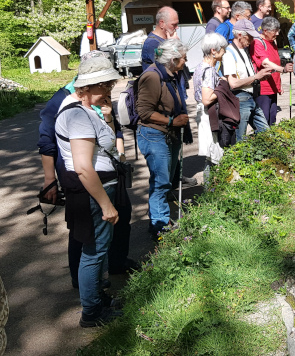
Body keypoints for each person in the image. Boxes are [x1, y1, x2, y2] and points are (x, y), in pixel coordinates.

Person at [38, 51, 138, 288]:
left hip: (107, 170)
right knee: (84, 231)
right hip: (79, 173)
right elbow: (46, 141)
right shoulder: (63, 101)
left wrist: (113, 129)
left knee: (119, 216)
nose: (108, 90)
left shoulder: (98, 95)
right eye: (105, 84)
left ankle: (115, 263)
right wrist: (49, 179)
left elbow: (114, 133)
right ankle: (81, 281)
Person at [54, 56, 123, 327]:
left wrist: (106, 117)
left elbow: (107, 147)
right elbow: (83, 167)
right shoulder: (76, 114)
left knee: (98, 250)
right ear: (86, 86)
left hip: (98, 191)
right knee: (93, 254)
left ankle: (98, 300)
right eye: (104, 85)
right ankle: (92, 313)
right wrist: (106, 204)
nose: (108, 90)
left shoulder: (86, 111)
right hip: (94, 195)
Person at [136, 39, 191, 239]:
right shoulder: (152, 76)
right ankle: (161, 228)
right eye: (183, 58)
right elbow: (143, 112)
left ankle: (158, 220)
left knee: (165, 181)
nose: (185, 61)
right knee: (161, 182)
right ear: (173, 59)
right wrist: (171, 121)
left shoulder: (170, 74)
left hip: (168, 134)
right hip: (153, 134)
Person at [221, 19, 273, 141]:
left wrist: (260, 77)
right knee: (240, 140)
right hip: (241, 99)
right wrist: (256, 77)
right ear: (240, 35)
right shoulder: (229, 53)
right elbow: (233, 83)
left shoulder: (243, 50)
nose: (252, 40)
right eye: (249, 37)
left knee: (266, 134)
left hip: (251, 97)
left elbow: (246, 76)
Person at [193, 33, 229, 170]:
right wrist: (223, 89)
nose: (224, 51)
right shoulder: (208, 70)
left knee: (212, 155)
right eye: (222, 48)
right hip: (209, 115)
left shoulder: (200, 67)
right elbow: (207, 98)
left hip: (205, 114)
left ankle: (212, 189)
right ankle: (212, 190)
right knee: (214, 156)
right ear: (213, 50)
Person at [252, 17, 293, 125]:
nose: (278, 33)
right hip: (263, 88)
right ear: (265, 31)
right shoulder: (258, 42)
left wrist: (279, 85)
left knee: (272, 117)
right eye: (275, 31)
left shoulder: (272, 42)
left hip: (273, 87)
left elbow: (276, 62)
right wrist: (283, 69)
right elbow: (266, 63)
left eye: (277, 30)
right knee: (264, 119)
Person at [141, 6, 179, 71]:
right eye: (174, 24)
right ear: (161, 24)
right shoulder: (153, 43)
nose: (177, 27)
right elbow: (167, 68)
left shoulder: (166, 39)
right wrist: (173, 45)